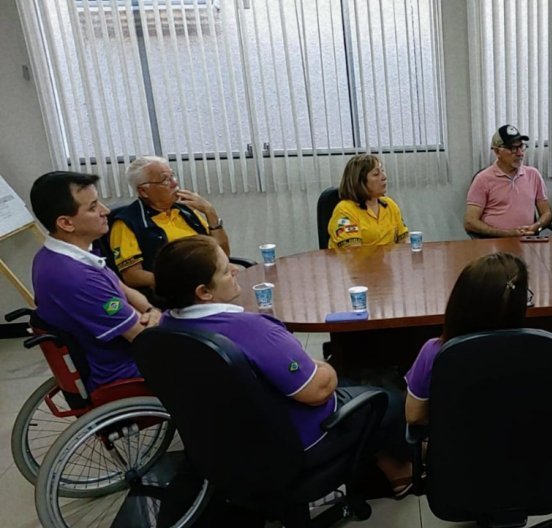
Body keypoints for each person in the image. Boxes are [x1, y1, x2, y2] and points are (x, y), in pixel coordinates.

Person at [154, 235, 414, 495]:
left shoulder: (166, 326)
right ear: (204, 291)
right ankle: (407, 465)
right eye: (225, 270)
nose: (234, 270)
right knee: (384, 396)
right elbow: (318, 391)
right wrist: (326, 368)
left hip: (225, 445)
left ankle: (388, 465)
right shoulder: (252, 330)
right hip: (294, 442)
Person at [405, 252, 552, 425]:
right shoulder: (546, 350)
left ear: (459, 301)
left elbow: (414, 416)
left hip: (461, 455)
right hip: (533, 455)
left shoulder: (436, 352)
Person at [29, 171, 160, 393]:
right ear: (66, 223)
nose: (105, 211)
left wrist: (151, 309)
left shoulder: (62, 255)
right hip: (124, 371)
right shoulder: (75, 277)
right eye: (92, 207)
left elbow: (123, 289)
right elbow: (141, 336)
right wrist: (158, 318)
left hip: (127, 351)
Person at [109, 156, 230, 291]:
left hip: (209, 283)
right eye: (165, 180)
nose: (174, 183)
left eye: (172, 176)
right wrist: (179, 282)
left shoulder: (185, 210)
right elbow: (132, 276)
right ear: (143, 191)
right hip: (176, 293)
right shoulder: (127, 222)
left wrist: (210, 213)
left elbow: (223, 254)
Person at [464, 125, 552, 238]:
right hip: (494, 243)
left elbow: (547, 213)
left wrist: (537, 226)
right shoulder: (483, 179)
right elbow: (470, 222)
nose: (520, 153)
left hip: (527, 241)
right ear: (497, 151)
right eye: (513, 149)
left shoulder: (533, 174)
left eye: (521, 147)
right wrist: (508, 234)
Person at [328, 154, 410, 249]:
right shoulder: (345, 210)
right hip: (359, 263)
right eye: (376, 174)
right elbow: (353, 253)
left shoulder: (389, 204)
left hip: (387, 262)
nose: (384, 177)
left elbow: (404, 240)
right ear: (359, 181)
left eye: (382, 171)